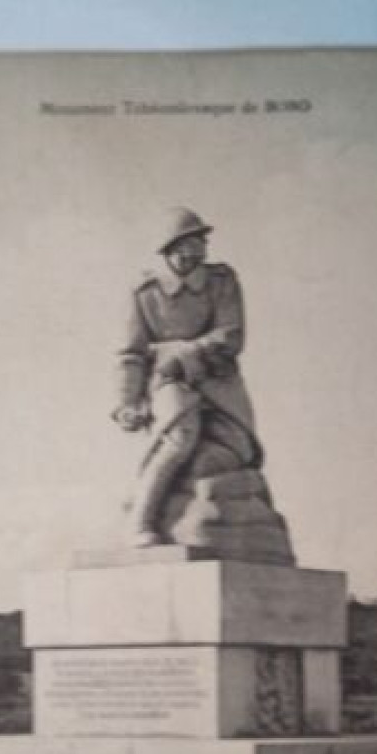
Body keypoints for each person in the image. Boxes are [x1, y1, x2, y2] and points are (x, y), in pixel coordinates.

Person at [113, 207, 263, 547]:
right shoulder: (145, 293)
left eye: (196, 244)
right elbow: (131, 354)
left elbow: (231, 335)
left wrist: (182, 352)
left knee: (239, 448)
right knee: (180, 437)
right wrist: (127, 402)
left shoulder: (222, 282)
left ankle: (199, 509)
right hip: (168, 381)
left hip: (217, 378)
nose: (189, 253)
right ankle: (142, 519)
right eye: (180, 246)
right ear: (166, 251)